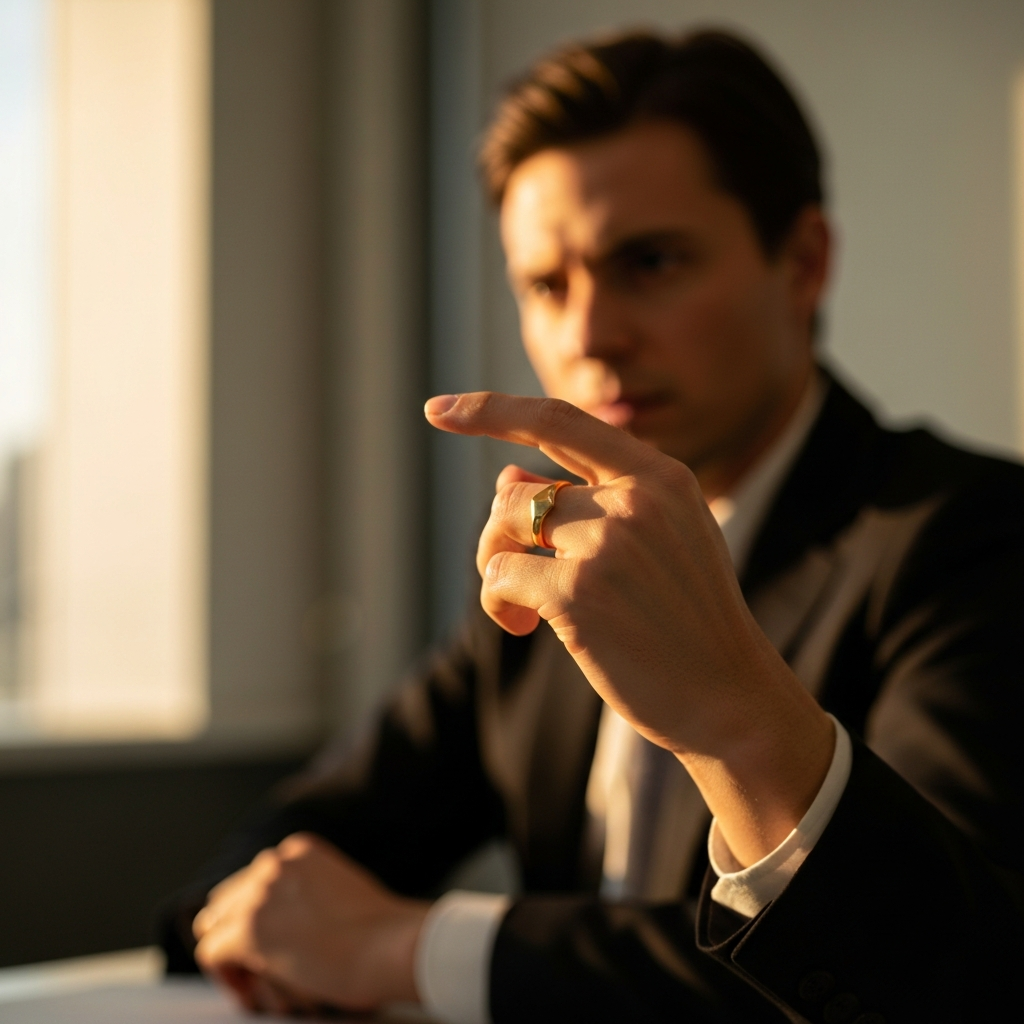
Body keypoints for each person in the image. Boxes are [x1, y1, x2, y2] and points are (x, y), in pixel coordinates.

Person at [163, 30, 1024, 1023]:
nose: (588, 335)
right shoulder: (553, 561)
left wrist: (413, 947)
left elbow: (957, 972)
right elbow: (280, 860)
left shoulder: (972, 538)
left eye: (648, 262)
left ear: (802, 262)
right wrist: (263, 922)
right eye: (545, 285)